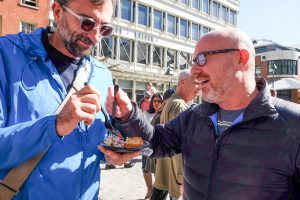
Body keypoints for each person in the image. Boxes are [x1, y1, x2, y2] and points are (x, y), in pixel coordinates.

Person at [104, 27, 300, 199]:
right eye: (193, 61)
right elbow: (157, 141)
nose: (194, 71)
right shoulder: (195, 116)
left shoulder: (292, 125)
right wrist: (129, 115)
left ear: (241, 58)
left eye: (202, 59)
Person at [0, 0, 138, 199]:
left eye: (104, 28)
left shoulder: (102, 75)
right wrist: (56, 125)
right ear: (57, 12)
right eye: (87, 23)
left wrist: (112, 152)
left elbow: (98, 140)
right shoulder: (6, 55)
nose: (95, 37)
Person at [151, 69, 199, 200]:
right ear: (183, 82)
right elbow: (179, 146)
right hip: (174, 172)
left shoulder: (171, 101)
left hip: (165, 168)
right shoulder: (179, 106)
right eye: (195, 83)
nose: (198, 88)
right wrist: (181, 177)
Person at [142, 93, 163, 199]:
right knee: (145, 169)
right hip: (146, 145)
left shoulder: (164, 113)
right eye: (154, 101)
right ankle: (149, 189)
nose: (157, 103)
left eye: (159, 101)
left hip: (158, 147)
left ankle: (155, 190)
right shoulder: (146, 113)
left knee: (157, 170)